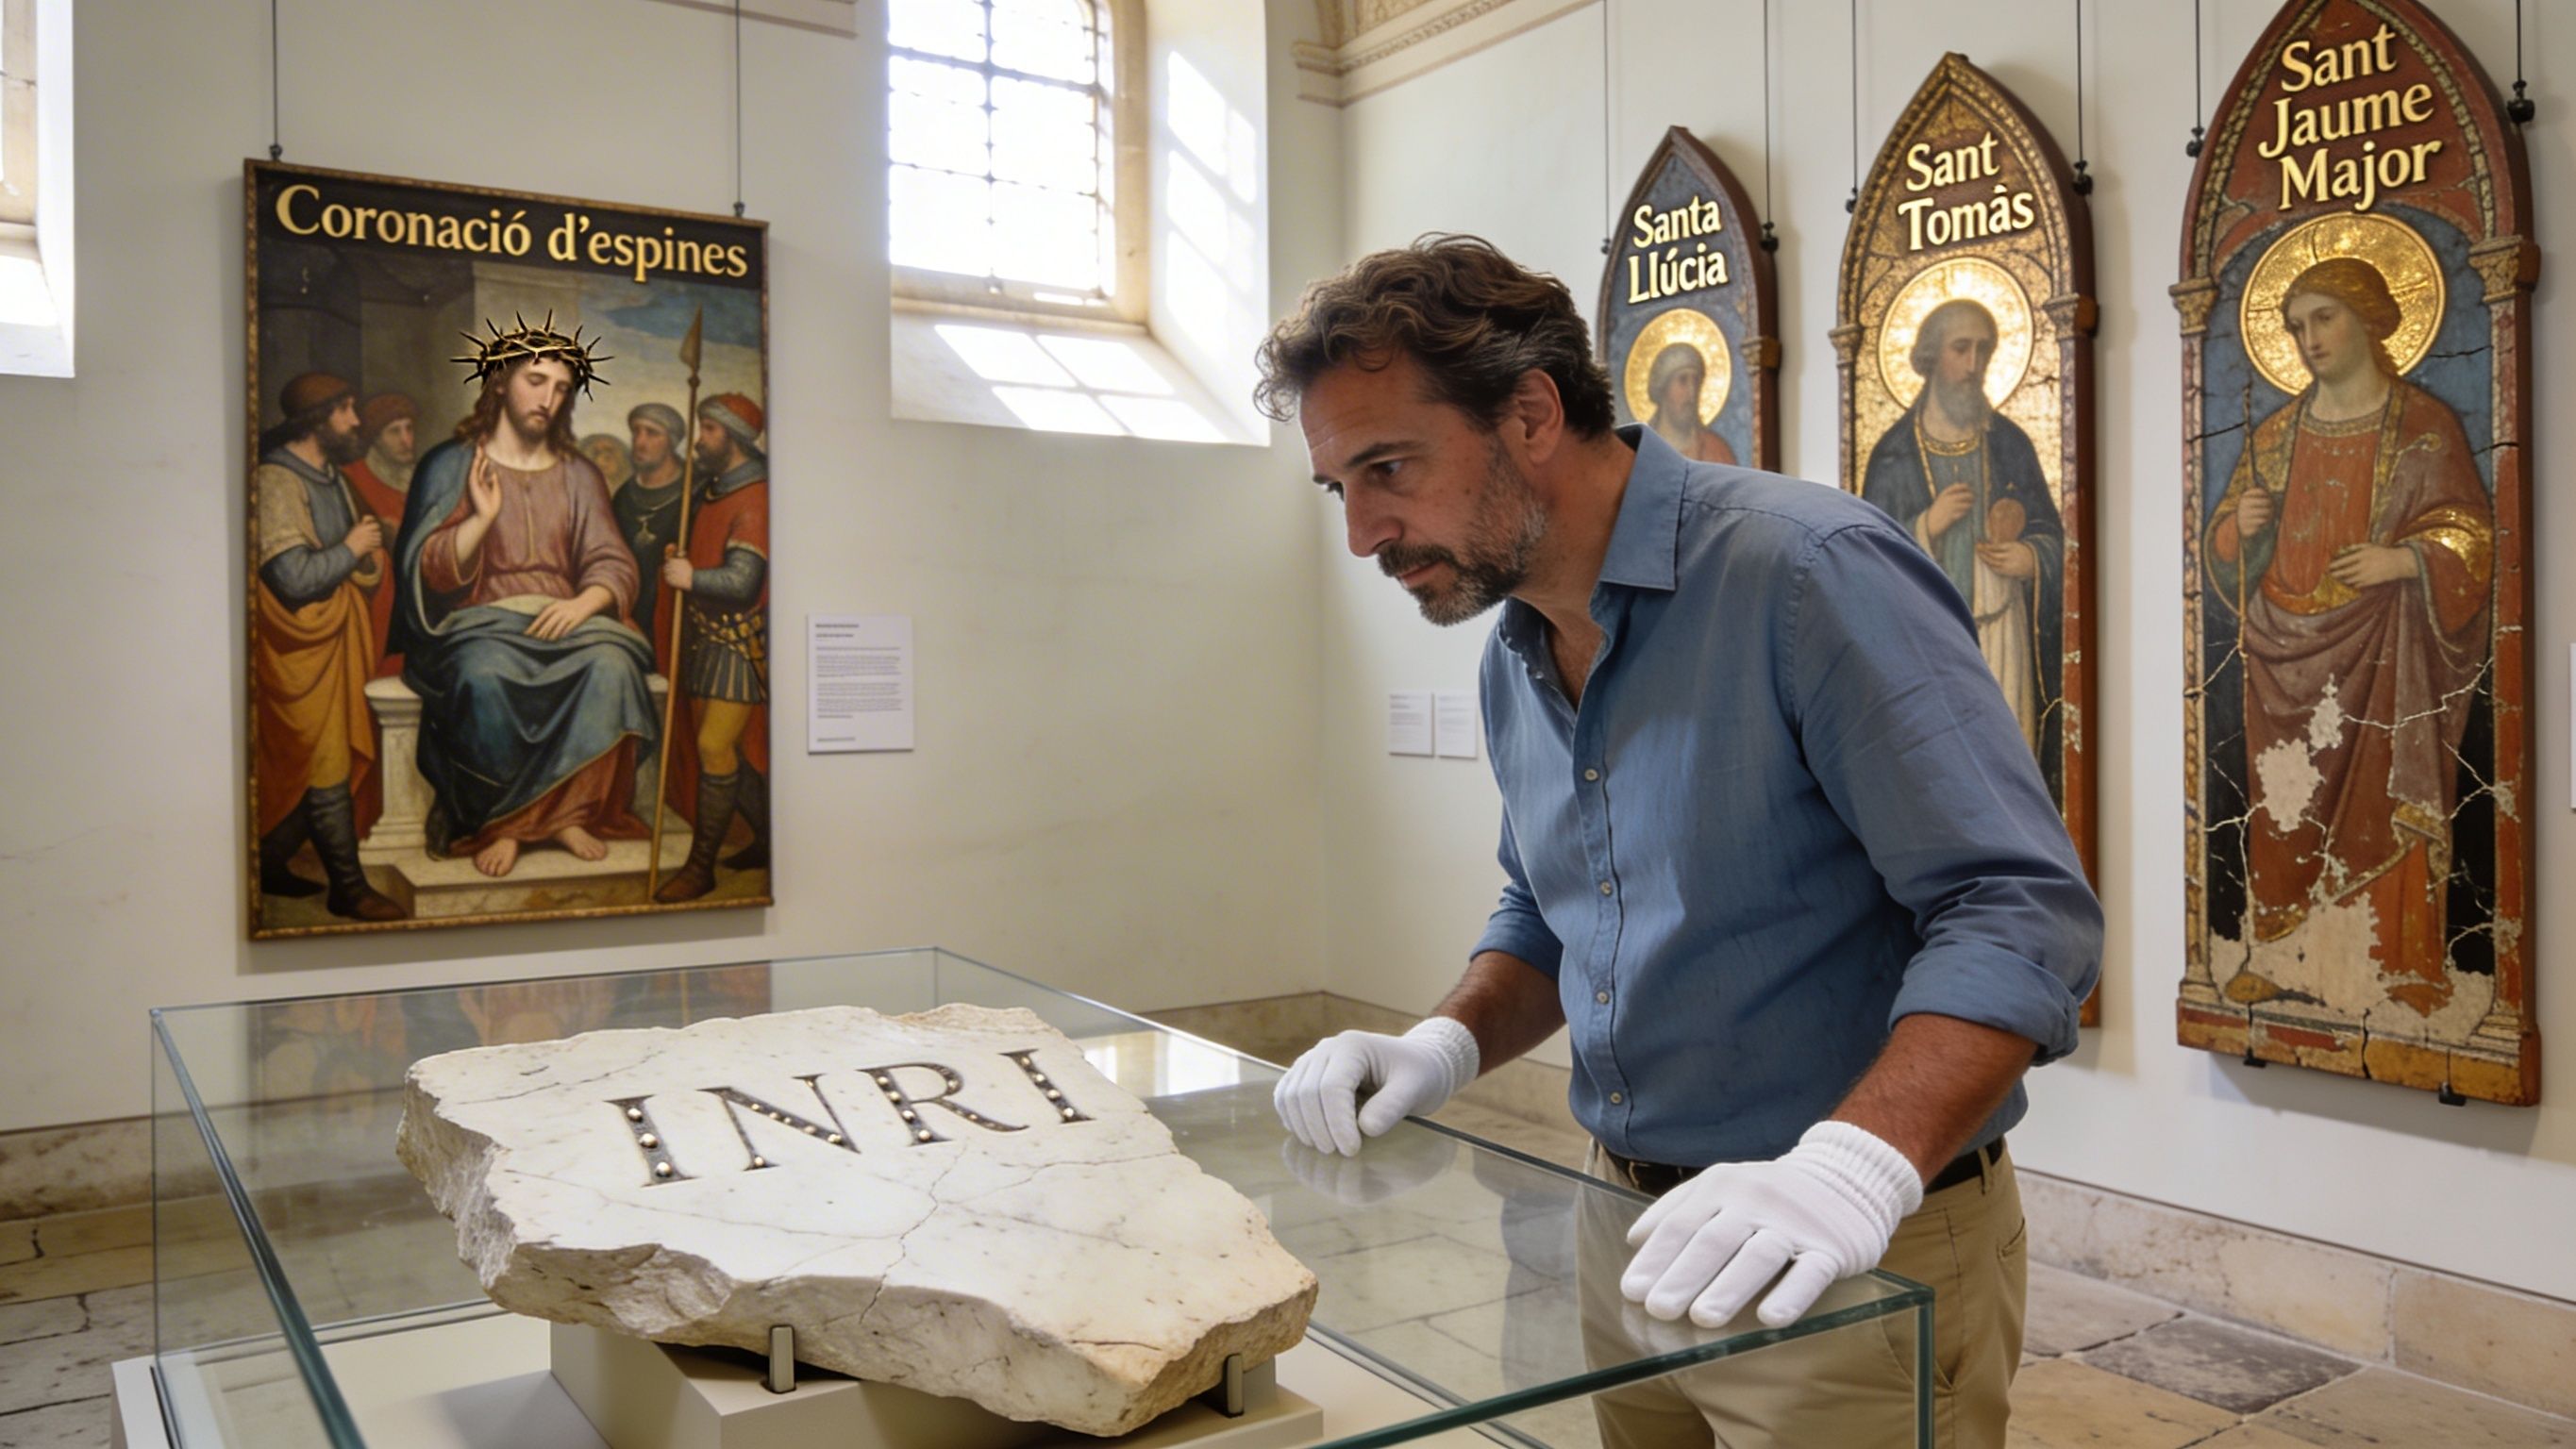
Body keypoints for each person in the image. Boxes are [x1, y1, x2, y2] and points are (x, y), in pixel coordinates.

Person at [1257, 237, 2099, 1449]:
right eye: (1342, 488)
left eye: (1389, 467)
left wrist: (1852, 1168)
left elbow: (2020, 911)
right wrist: (1443, 1042)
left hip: (1842, 1246)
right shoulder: (1519, 644)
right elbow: (1554, 906)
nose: (1364, 533)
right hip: (1629, 1226)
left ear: (1532, 413)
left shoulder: (1806, 572)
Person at [2203, 257, 2490, 1016]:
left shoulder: (2425, 428)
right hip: (2281, 657)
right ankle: (2278, 953)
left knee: (2379, 802)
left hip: (2385, 649)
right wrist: (2241, 530)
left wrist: (2405, 559)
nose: (2309, 339)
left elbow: (2471, 533)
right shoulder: (2274, 434)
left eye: (2324, 317)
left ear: (2368, 317)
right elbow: (2222, 554)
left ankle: (2395, 965)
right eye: (2297, 327)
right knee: (2281, 809)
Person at [391, 319, 660, 879]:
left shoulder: (579, 473)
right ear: (499, 384)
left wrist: (584, 604)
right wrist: (483, 517)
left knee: (612, 667)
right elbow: (429, 569)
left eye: (562, 389)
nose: (549, 399)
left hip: (571, 620)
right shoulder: (452, 464)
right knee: (482, 676)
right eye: (536, 381)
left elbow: (610, 558)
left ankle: (569, 814)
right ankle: (504, 823)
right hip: (478, 623)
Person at [1860, 300, 2065, 783]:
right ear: (1931, 355)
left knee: (2008, 774)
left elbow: (2056, 537)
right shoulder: (1892, 456)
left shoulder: (2011, 444)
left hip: (2003, 635)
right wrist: (1925, 526)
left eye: (1984, 351)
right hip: (1925, 642)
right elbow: (1863, 561)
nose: (1975, 365)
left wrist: (2032, 557)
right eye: (1961, 349)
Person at [252, 372, 407, 922]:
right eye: (345, 411)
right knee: (323, 761)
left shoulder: (331, 477)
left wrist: (365, 559)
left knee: (324, 759)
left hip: (333, 641)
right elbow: (292, 578)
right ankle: (348, 887)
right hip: (296, 648)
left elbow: (349, 566)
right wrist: (351, 548)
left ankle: (268, 859)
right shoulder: (277, 481)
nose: (355, 421)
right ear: (316, 421)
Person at [652, 391, 771, 902]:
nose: (700, 440)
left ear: (736, 438)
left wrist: (692, 575)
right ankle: (769, 839)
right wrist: (686, 559)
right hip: (708, 638)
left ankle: (701, 869)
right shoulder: (714, 490)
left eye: (709, 430)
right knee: (727, 751)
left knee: (712, 747)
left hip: (737, 644)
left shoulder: (755, 496)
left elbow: (743, 582)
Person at [343, 391, 420, 680]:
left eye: (410, 429)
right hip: (373, 594)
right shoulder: (351, 479)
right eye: (394, 431)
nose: (406, 440)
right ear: (375, 437)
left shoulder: (421, 477)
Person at [615, 401, 691, 665]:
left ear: (671, 441)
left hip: (679, 619)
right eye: (636, 432)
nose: (640, 441)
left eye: (652, 433)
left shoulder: (694, 490)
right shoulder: (624, 497)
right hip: (630, 618)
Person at [1640, 340, 1736, 465]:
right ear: (1663, 388)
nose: (1692, 392)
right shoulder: (1639, 451)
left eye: (1696, 382)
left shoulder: (1717, 451)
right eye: (1683, 380)